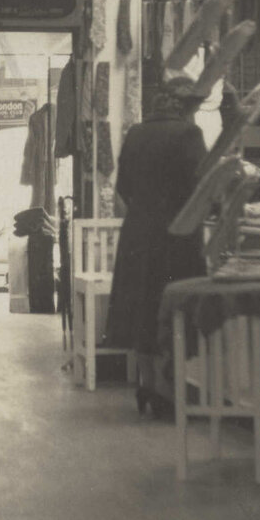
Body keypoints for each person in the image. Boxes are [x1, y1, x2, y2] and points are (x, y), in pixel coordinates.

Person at [103, 76, 208, 418]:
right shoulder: (189, 135)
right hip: (175, 235)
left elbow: (124, 187)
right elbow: (201, 186)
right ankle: (167, 393)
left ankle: (147, 385)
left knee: (143, 311)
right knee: (172, 310)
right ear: (186, 106)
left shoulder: (135, 133)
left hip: (138, 234)